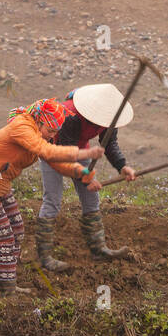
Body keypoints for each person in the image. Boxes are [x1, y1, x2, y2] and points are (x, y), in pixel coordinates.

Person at [0, 98, 104, 295]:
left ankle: (8, 277)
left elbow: (54, 162)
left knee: (17, 229)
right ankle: (6, 290)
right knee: (4, 237)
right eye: (50, 130)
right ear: (39, 121)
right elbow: (45, 151)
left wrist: (81, 173)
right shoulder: (22, 126)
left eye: (56, 132)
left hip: (0, 183)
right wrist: (83, 153)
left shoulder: (39, 135)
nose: (52, 136)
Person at [35, 84, 137, 271]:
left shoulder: (109, 118)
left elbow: (109, 143)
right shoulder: (70, 115)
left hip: (79, 151)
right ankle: (45, 256)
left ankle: (99, 249)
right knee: (53, 201)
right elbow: (66, 156)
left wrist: (122, 166)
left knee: (91, 200)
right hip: (53, 151)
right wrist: (86, 178)